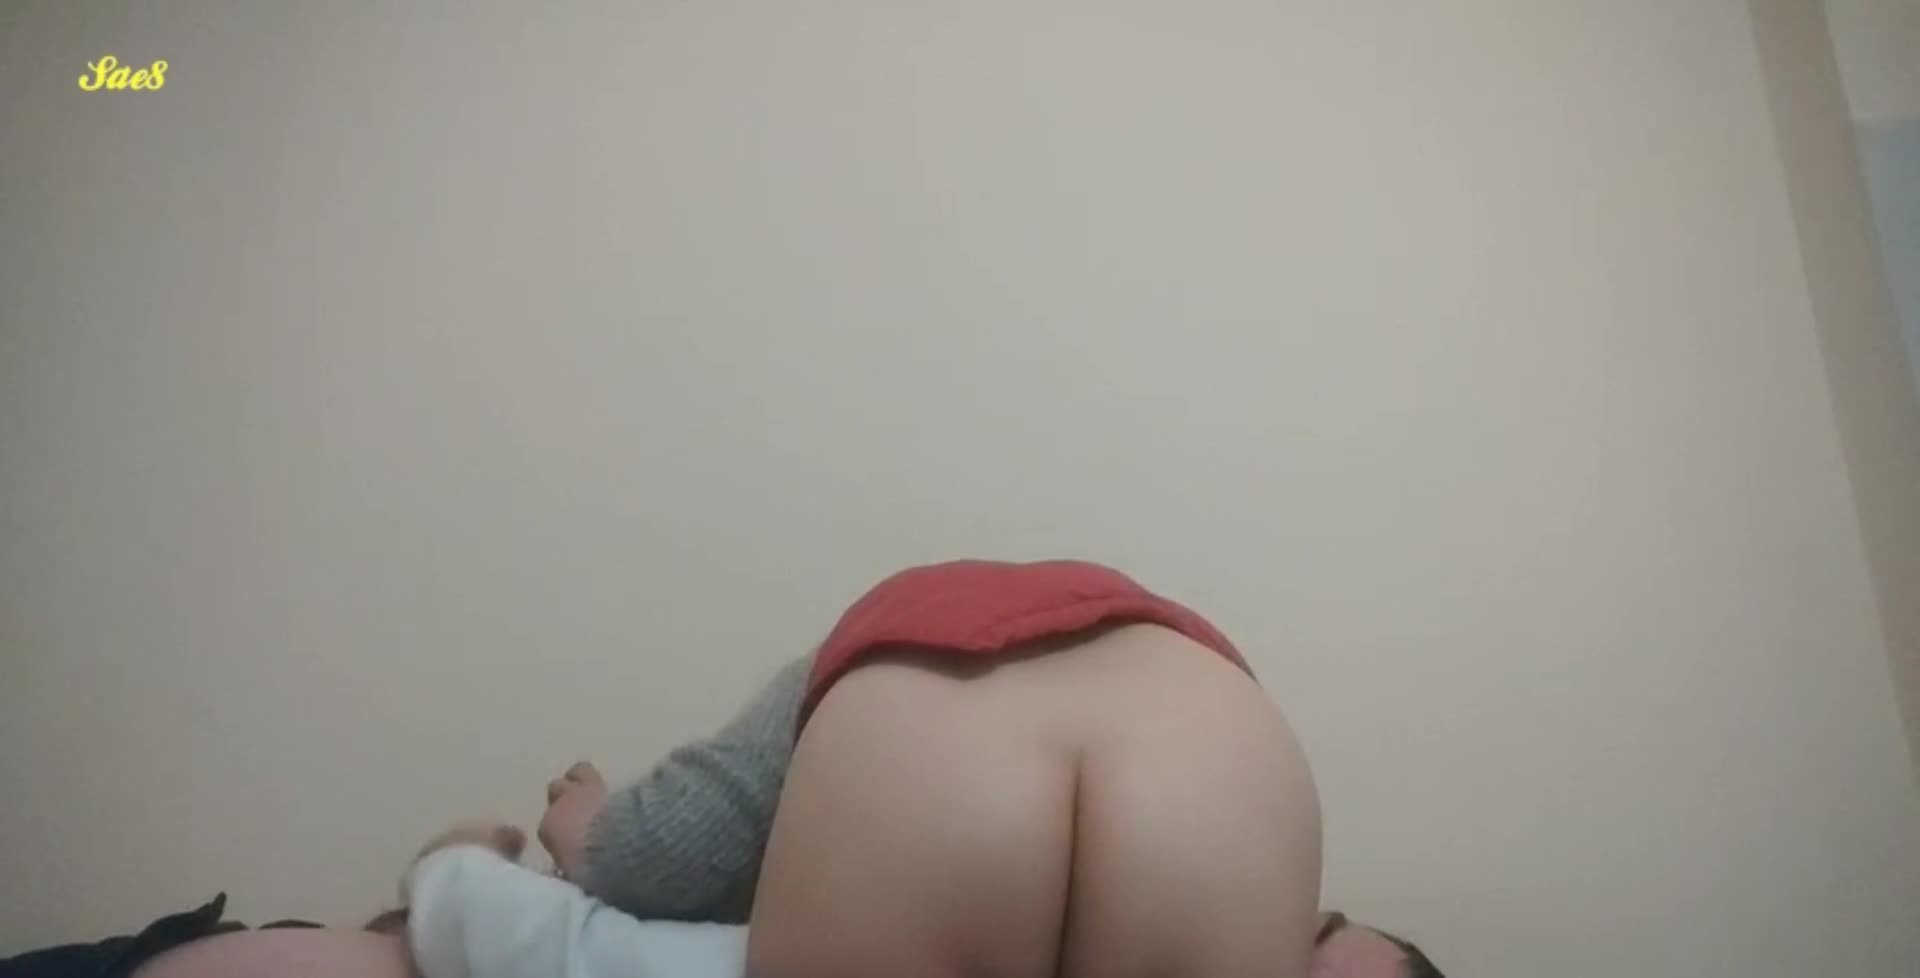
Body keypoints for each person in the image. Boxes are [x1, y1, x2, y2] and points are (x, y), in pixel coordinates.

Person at [539, 558, 1446, 978]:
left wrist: (583, 821)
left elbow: (656, 858)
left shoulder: (892, 637)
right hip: (1220, 764)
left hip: (935, 762)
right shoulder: (1203, 702)